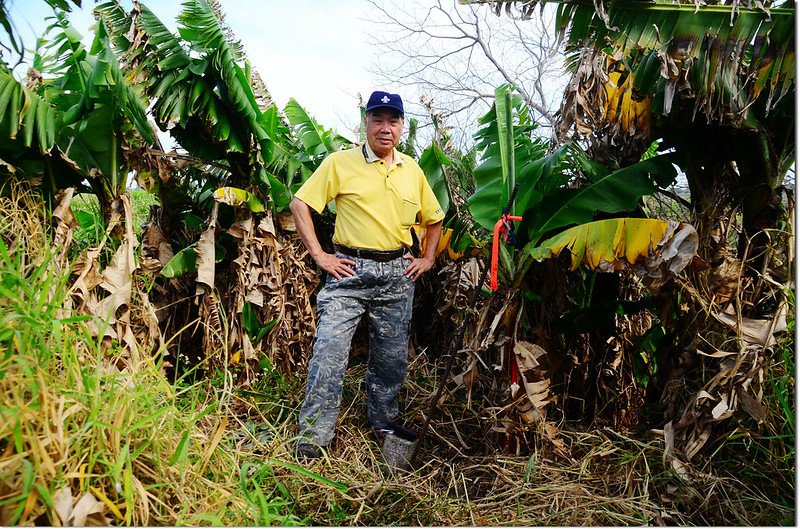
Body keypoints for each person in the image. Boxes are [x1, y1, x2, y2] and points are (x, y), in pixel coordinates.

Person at [289, 90, 444, 460]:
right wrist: (320, 255)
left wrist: (428, 259)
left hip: (396, 275)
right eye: (377, 119)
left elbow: (435, 218)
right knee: (329, 352)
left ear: (402, 127)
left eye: (393, 121)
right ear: (366, 123)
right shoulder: (340, 163)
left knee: (391, 361)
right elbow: (300, 204)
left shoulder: (412, 170)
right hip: (348, 272)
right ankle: (313, 439)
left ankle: (383, 422)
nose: (385, 128)